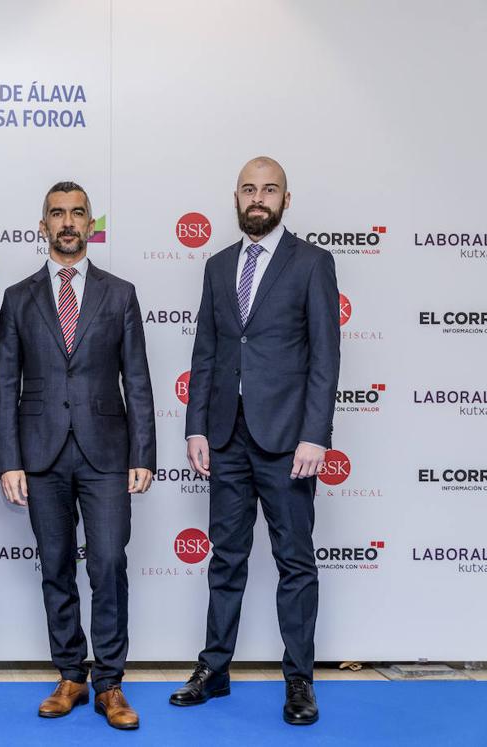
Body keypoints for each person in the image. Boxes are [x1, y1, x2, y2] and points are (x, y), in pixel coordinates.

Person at [170, 157, 339, 726]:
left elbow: (325, 359)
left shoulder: (313, 263)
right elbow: (206, 351)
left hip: (290, 441)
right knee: (227, 558)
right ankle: (214, 669)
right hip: (225, 437)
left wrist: (316, 435)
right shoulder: (218, 266)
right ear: (236, 197)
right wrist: (196, 425)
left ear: (287, 200)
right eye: (249, 189)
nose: (258, 198)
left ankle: (299, 681)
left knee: (294, 561)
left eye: (269, 190)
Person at [0, 181, 156, 730]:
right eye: (57, 214)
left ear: (91, 224)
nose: (67, 222)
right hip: (40, 454)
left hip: (107, 452)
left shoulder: (120, 293)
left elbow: (137, 378)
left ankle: (110, 682)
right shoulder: (18, 298)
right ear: (43, 225)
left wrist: (144, 452)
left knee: (109, 563)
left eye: (77, 213)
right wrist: (8, 460)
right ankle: (71, 674)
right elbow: (5, 385)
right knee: (56, 567)